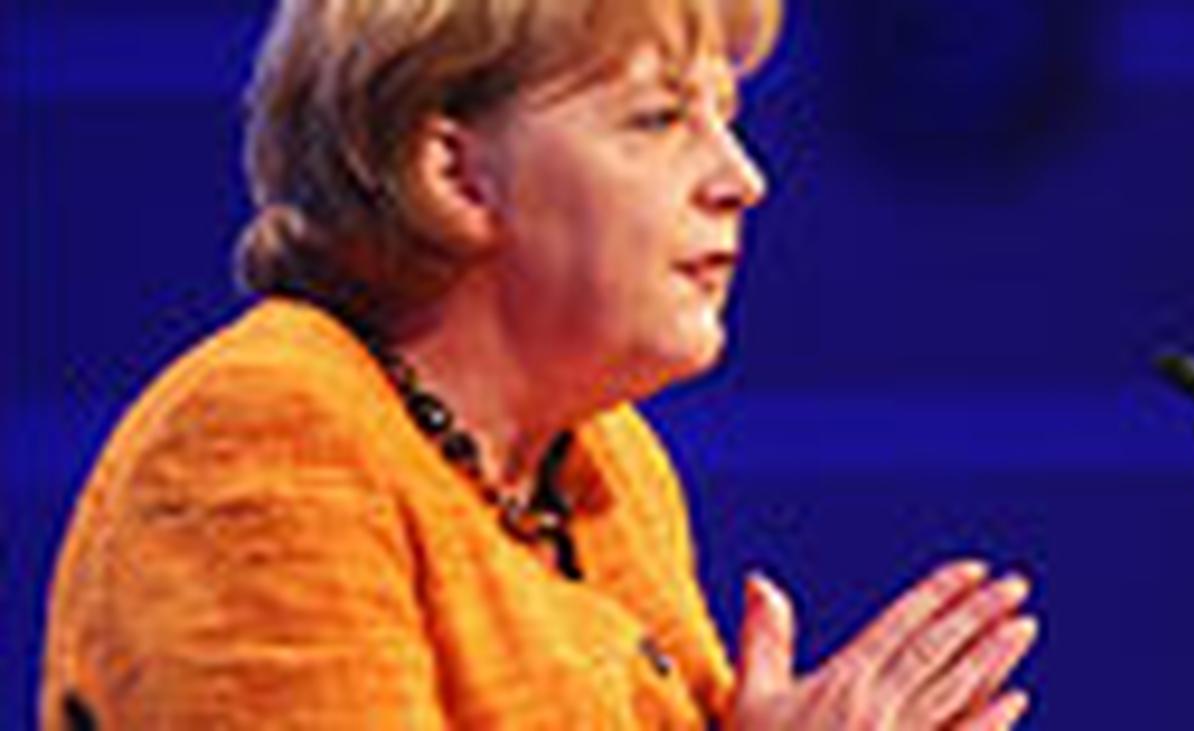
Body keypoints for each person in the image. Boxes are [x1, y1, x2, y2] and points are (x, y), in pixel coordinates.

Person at [40, 0, 1039, 728]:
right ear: (455, 172)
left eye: (726, 117)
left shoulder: (606, 463)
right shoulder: (267, 435)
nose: (741, 179)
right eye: (660, 119)